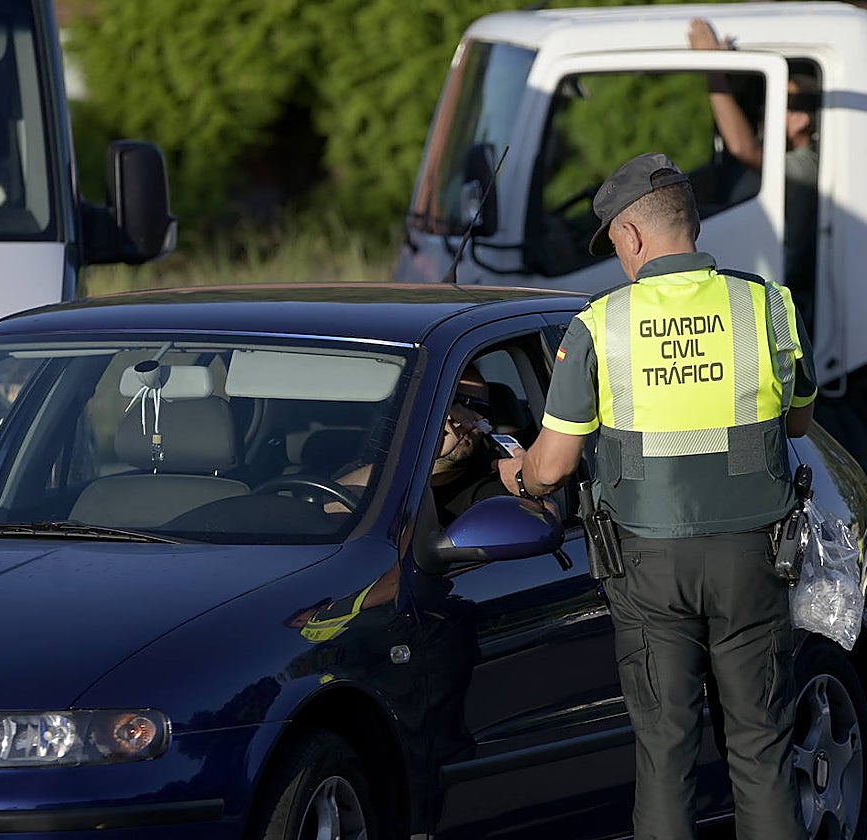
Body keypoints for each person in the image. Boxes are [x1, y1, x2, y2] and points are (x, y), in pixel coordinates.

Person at [497, 152, 817, 840]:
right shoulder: (765, 304)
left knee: (666, 753)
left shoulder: (599, 325)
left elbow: (552, 469)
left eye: (614, 244)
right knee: (761, 753)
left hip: (649, 570)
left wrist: (514, 475)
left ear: (633, 237)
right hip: (753, 559)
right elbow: (797, 421)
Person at [688, 17, 820, 318]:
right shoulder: (775, 162)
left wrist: (713, 72)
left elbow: (743, 147)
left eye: (781, 101)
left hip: (775, 297)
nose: (764, 109)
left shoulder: (805, 167)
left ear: (802, 119)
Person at [335, 364, 507, 524]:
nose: (463, 417)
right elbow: (328, 510)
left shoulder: (488, 493)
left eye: (478, 408)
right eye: (451, 402)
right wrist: (419, 450)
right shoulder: (370, 471)